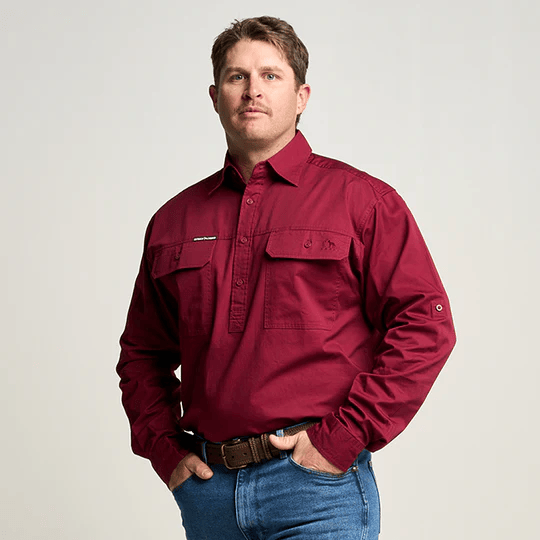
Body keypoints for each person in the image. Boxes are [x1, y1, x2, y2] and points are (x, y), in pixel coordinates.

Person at [117, 15, 456, 540]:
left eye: (270, 76)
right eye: (237, 76)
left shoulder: (363, 202)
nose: (252, 90)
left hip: (318, 491)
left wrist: (342, 439)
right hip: (210, 495)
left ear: (301, 97)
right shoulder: (173, 221)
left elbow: (425, 325)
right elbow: (141, 353)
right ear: (215, 97)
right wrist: (166, 451)